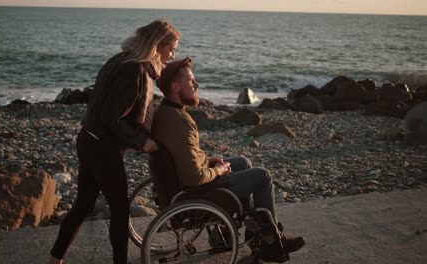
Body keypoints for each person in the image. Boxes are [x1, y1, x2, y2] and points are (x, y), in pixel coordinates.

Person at [48, 19, 180, 264]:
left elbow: (101, 104)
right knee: (120, 211)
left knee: (83, 205)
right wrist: (142, 141)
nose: (172, 55)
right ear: (157, 45)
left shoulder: (120, 60)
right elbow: (113, 117)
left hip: (88, 139)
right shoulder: (135, 70)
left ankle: (55, 259)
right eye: (171, 49)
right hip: (102, 148)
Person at [151, 57, 305, 261]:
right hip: (198, 195)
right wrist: (218, 171)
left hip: (180, 188)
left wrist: (208, 160)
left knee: (242, 162)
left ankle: (253, 232)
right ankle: (270, 242)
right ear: (175, 85)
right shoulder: (180, 123)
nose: (197, 85)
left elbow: (183, 155)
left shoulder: (164, 112)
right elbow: (194, 178)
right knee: (262, 177)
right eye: (191, 81)